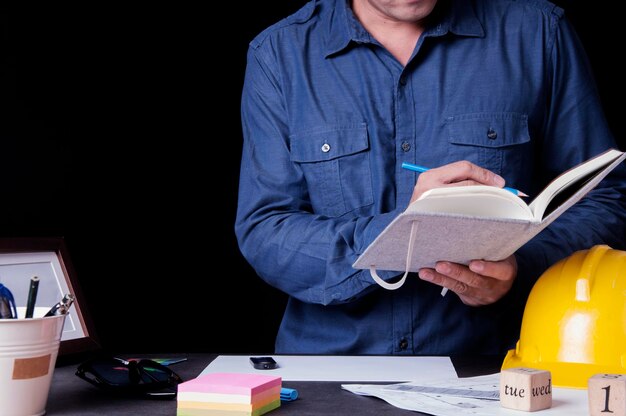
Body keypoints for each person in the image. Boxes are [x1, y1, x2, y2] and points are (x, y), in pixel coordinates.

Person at [235, 0, 626, 355]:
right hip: (331, 372)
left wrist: (519, 267)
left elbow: (604, 199)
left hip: (492, 368)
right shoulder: (279, 55)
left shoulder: (538, 34)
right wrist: (402, 234)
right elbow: (266, 231)